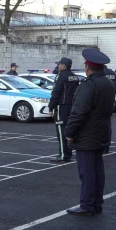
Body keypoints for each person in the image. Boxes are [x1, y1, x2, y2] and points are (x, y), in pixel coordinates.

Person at [65, 48, 115, 216]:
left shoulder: (89, 85)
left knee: (86, 173)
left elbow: (79, 112)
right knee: (97, 172)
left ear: (88, 67)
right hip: (101, 133)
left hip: (87, 135)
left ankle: (87, 204)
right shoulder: (108, 83)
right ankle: (96, 203)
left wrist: (70, 132)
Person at [48, 57, 79, 163]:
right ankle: (68, 153)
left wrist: (51, 106)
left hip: (62, 107)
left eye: (60, 64)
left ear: (64, 66)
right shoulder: (75, 77)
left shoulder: (61, 77)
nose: (58, 66)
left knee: (61, 131)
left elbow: (56, 92)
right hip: (72, 106)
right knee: (70, 129)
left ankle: (63, 155)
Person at [103, 65, 116, 154]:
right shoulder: (112, 73)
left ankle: (102, 146)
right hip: (111, 101)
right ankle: (106, 146)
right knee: (108, 123)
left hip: (101, 101)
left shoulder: (100, 73)